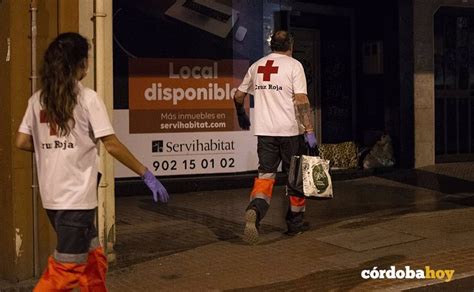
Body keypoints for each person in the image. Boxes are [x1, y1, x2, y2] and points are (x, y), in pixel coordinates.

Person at [15, 32, 168, 291]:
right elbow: (111, 144)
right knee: (66, 270)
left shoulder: (37, 100)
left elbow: (21, 141)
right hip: (76, 199)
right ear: (79, 64)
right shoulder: (87, 99)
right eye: (85, 60)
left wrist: (52, 151)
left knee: (93, 259)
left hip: (53, 198)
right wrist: (146, 174)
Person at [233, 30, 317, 245]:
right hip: (290, 133)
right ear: (290, 44)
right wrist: (309, 131)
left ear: (271, 45)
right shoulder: (294, 65)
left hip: (265, 133)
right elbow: (300, 100)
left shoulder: (257, 66)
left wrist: (241, 114)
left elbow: (238, 95)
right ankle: (295, 224)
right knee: (295, 178)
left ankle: (255, 211)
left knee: (265, 176)